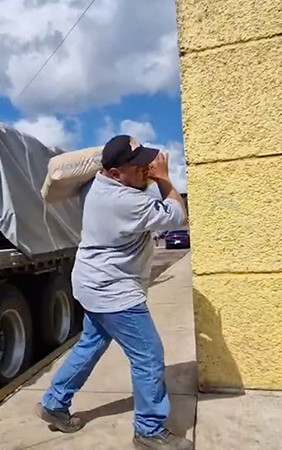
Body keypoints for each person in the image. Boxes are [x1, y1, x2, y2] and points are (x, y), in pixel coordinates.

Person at [36, 135, 191, 450]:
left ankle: (54, 402)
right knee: (149, 357)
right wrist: (164, 177)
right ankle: (148, 432)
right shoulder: (124, 202)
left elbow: (131, 181)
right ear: (116, 172)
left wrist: (143, 173)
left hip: (92, 283)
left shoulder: (97, 185)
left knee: (90, 345)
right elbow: (177, 215)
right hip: (113, 291)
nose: (146, 169)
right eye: (137, 166)